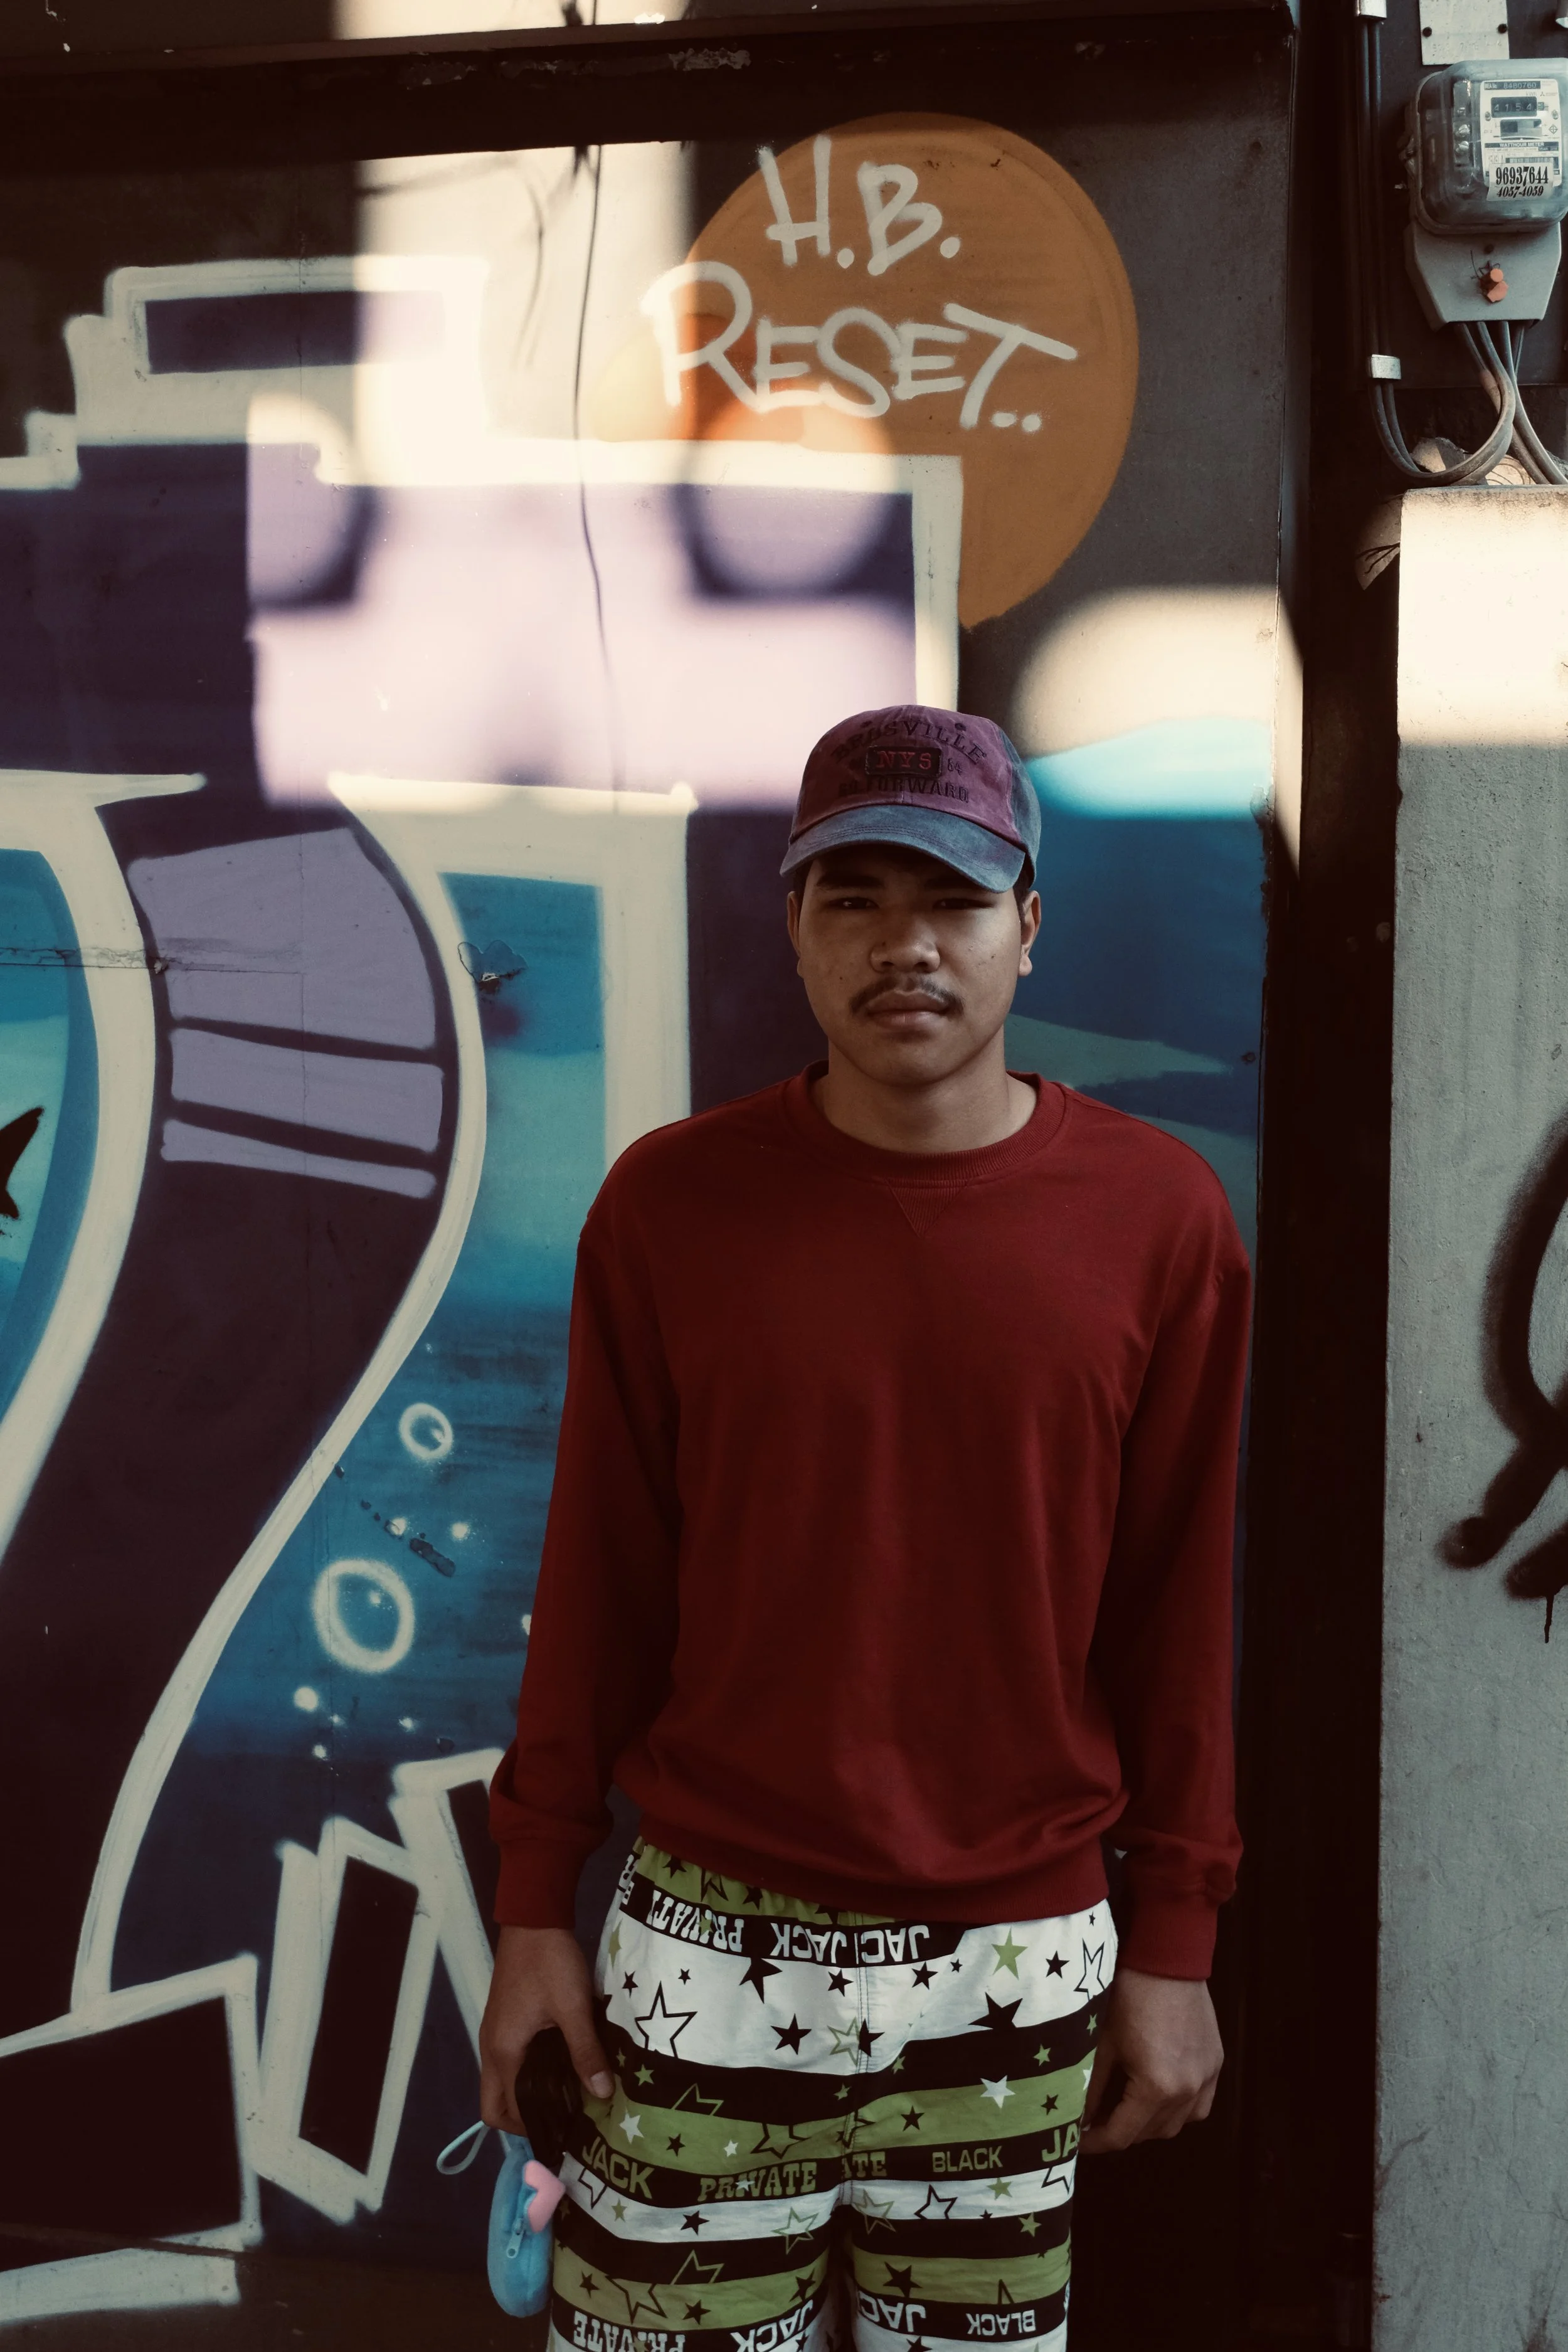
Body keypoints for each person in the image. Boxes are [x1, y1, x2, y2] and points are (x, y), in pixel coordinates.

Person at [480, 704, 1251, 2352]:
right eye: (855, 897)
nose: (906, 943)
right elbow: (598, 1575)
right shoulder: (673, 1207)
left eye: (954, 900)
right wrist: (531, 1904)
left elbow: (1181, 1608)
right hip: (704, 1942)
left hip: (1020, 1955)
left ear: (1026, 928)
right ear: (797, 926)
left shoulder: (1159, 1219)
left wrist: (1173, 1939)